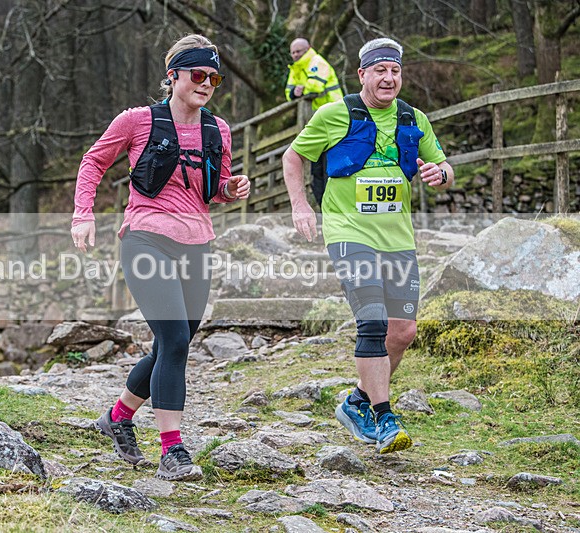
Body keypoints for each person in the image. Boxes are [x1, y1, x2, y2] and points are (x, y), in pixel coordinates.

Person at [71, 34, 250, 480]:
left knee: (176, 343)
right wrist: (83, 214)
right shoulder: (137, 121)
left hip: (197, 242)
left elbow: (215, 189)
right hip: (146, 239)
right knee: (173, 340)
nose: (206, 83)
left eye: (214, 78)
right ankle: (173, 450)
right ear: (174, 76)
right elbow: (93, 162)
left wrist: (230, 189)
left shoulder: (218, 130)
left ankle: (117, 417)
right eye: (198, 75)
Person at [281, 37, 453, 454]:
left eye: (395, 71)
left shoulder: (413, 117)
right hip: (349, 232)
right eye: (380, 70)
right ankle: (383, 416)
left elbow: (444, 165)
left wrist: (441, 175)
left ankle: (356, 400)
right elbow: (293, 156)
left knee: (403, 331)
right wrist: (301, 205)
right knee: (372, 322)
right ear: (362, 74)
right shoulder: (334, 113)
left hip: (398, 238)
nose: (388, 78)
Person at [285, 38, 344, 208]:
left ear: (308, 49)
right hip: (315, 122)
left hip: (334, 118)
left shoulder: (317, 62)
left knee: (329, 165)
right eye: (293, 52)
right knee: (316, 167)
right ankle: (322, 204)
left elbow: (315, 86)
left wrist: (301, 89)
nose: (295, 55)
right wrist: (297, 91)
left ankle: (331, 204)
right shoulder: (295, 68)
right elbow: (289, 92)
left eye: (299, 51)